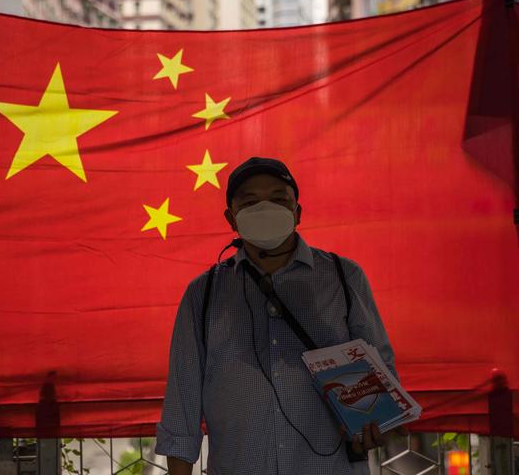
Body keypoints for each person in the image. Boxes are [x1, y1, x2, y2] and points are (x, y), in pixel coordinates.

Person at [155, 157, 403, 475]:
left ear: (297, 212)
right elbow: (182, 403)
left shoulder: (343, 277)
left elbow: (380, 374)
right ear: (232, 218)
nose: (265, 208)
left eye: (278, 198)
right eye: (250, 201)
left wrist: (377, 423)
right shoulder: (203, 294)